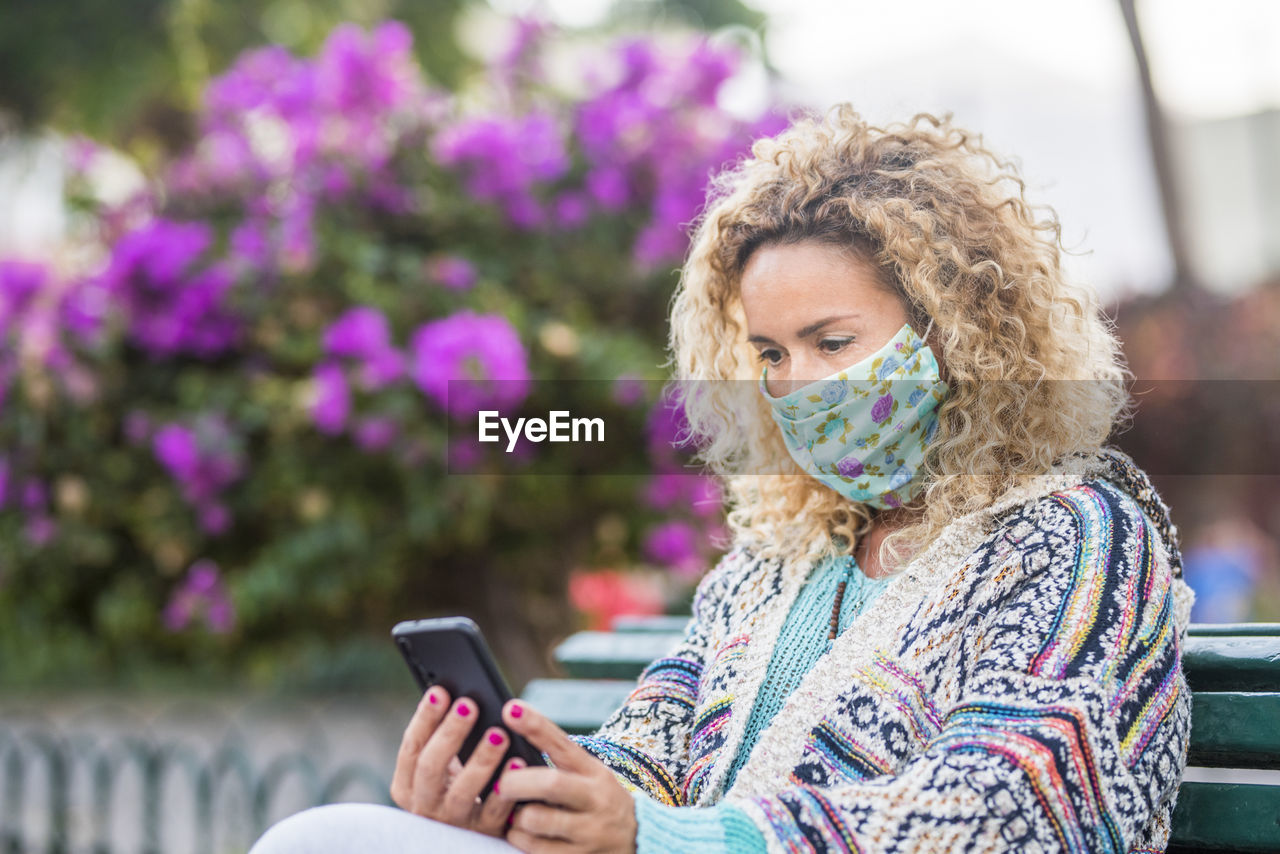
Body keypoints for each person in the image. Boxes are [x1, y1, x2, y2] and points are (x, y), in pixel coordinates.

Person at [250, 106, 1194, 853]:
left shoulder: (1072, 537)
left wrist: (671, 840)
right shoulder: (773, 561)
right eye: (771, 353)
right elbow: (647, 756)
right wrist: (521, 798)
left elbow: (1014, 806)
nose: (798, 386)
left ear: (959, 339)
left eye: (833, 342)